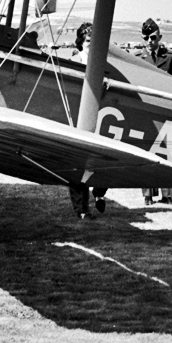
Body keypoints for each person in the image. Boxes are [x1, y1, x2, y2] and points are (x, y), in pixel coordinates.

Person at [138, 18, 172, 205]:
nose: (150, 41)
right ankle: (147, 195)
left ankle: (168, 195)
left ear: (160, 37)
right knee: (145, 151)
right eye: (146, 37)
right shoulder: (137, 58)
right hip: (144, 111)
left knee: (167, 152)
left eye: (153, 37)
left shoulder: (170, 58)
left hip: (164, 111)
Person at [68, 22, 107, 218]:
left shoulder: (106, 64)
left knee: (105, 157)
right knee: (77, 162)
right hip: (78, 115)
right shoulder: (73, 61)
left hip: (102, 116)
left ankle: (99, 193)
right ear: (81, 43)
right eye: (89, 41)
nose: (93, 45)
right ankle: (81, 209)